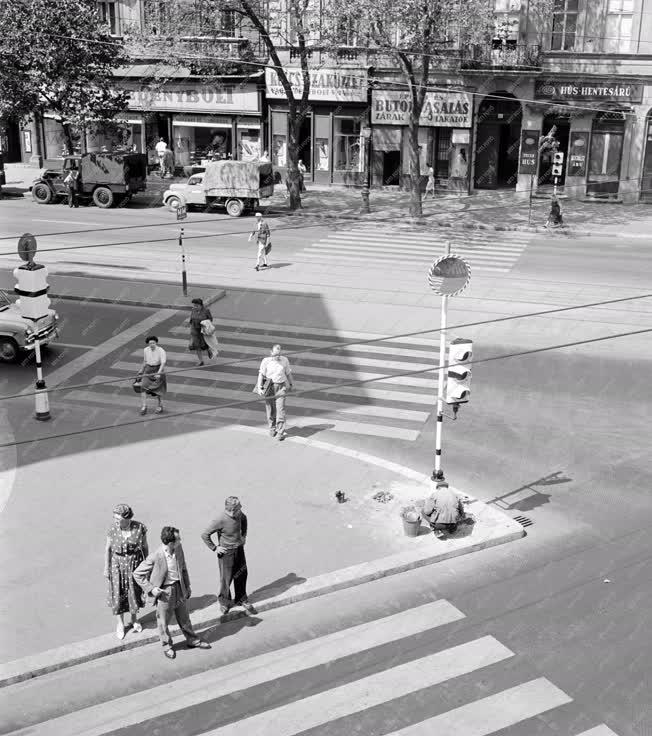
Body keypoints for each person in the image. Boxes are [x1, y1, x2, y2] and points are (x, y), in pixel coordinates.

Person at [133, 527, 211, 659]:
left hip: (179, 588)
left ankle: (192, 640)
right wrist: (151, 589)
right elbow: (137, 574)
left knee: (184, 617)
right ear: (170, 543)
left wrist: (187, 586)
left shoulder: (178, 549)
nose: (180, 541)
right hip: (165, 592)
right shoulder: (155, 556)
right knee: (163, 621)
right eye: (178, 539)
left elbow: (183, 567)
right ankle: (167, 646)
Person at [201, 496, 256, 616]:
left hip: (239, 549)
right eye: (238, 507)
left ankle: (241, 599)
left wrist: (244, 535)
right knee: (226, 579)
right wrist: (215, 548)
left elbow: (244, 520)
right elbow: (205, 535)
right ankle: (224, 602)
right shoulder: (220, 520)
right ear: (231, 509)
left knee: (242, 574)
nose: (241, 508)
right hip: (226, 553)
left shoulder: (239, 514)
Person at [104, 504, 149, 640]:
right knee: (119, 594)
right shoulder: (112, 529)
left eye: (118, 518)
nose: (115, 521)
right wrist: (106, 568)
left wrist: (146, 565)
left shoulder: (139, 528)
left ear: (127, 518)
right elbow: (108, 549)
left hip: (135, 565)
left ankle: (134, 619)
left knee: (134, 592)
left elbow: (145, 547)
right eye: (114, 518)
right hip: (117, 566)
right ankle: (120, 624)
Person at [255, 343, 294, 440]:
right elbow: (261, 374)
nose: (278, 356)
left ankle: (280, 432)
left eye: (279, 354)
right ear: (271, 352)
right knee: (270, 409)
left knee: (280, 410)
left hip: (281, 387)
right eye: (276, 354)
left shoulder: (284, 360)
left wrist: (291, 384)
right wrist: (260, 388)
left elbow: (288, 373)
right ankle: (272, 428)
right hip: (269, 387)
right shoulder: (266, 361)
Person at [137, 336, 167, 415]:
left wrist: (159, 373)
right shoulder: (146, 350)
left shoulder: (161, 350)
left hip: (158, 369)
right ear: (148, 344)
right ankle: (144, 406)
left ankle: (160, 406)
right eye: (150, 343)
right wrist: (141, 370)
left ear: (156, 343)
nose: (152, 344)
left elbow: (163, 363)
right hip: (148, 370)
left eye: (153, 343)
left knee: (159, 390)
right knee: (143, 387)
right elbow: (145, 361)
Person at [188, 297, 214, 366]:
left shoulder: (206, 311)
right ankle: (201, 361)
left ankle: (208, 350)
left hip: (203, 330)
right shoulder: (193, 310)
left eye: (196, 306)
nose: (195, 307)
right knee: (197, 345)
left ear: (201, 305)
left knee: (205, 344)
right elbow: (191, 320)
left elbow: (210, 319)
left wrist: (205, 324)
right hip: (195, 330)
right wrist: (191, 330)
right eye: (194, 305)